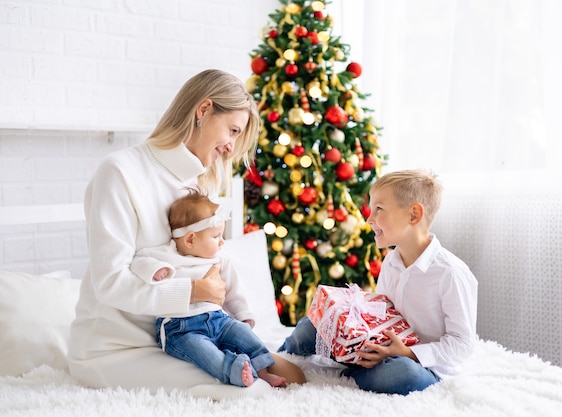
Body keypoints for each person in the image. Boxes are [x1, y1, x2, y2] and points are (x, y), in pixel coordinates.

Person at [68, 69, 305, 399]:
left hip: (187, 337)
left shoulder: (196, 184)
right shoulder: (121, 171)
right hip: (118, 347)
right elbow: (109, 283)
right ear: (203, 110)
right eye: (232, 131)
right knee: (254, 393)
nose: (231, 147)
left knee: (293, 376)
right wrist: (194, 290)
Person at [279, 169, 478, 395]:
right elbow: (383, 315)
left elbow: (463, 344)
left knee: (402, 374)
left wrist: (408, 353)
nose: (369, 218)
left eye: (379, 209)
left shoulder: (450, 273)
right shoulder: (391, 262)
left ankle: (349, 372)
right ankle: (276, 360)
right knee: (311, 324)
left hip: (420, 365)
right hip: (380, 350)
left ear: (413, 215)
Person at [130, 189, 286, 388]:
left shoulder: (220, 260)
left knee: (245, 336)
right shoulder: (167, 255)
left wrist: (243, 314)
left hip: (219, 320)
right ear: (190, 240)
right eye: (216, 236)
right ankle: (236, 371)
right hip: (181, 328)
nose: (222, 241)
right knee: (207, 354)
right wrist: (155, 269)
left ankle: (263, 372)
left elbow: (232, 290)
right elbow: (139, 259)